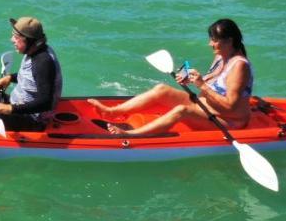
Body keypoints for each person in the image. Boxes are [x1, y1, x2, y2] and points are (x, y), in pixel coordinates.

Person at [88, 18, 254, 135]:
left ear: (229, 41)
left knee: (181, 111)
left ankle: (132, 135)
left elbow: (231, 106)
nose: (210, 44)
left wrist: (202, 85)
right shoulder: (222, 55)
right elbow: (216, 82)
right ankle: (111, 112)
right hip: (205, 106)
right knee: (162, 90)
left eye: (214, 40)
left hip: (228, 121)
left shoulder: (239, 66)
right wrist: (190, 78)